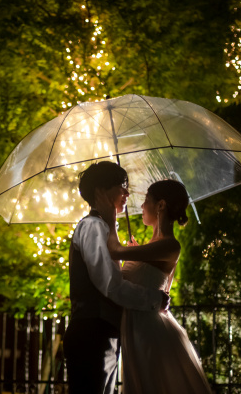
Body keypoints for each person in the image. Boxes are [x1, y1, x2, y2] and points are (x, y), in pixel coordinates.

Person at [63, 161, 170, 394]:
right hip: (92, 334)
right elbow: (111, 285)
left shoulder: (104, 228)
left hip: (102, 334)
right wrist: (154, 298)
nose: (127, 193)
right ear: (101, 190)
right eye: (122, 185)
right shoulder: (93, 227)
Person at [98, 179, 212, 394]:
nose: (141, 206)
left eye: (146, 200)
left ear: (161, 205)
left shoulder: (170, 245)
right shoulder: (149, 247)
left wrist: (111, 215)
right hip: (136, 325)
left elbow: (114, 251)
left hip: (149, 329)